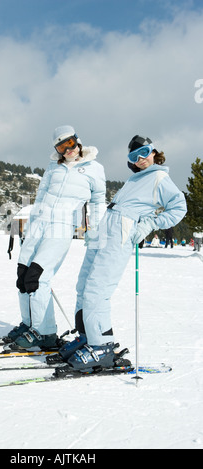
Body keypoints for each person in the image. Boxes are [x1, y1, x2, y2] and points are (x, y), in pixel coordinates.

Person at [58, 135, 187, 371]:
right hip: (105, 229)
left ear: (153, 152)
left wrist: (148, 225)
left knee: (98, 288)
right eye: (133, 156)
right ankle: (88, 336)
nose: (140, 159)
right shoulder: (135, 178)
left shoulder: (159, 176)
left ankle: (102, 347)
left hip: (121, 232)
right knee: (83, 285)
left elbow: (179, 207)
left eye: (144, 152)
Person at [0, 125, 106, 349]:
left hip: (62, 227)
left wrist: (95, 230)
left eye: (70, 143)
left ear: (77, 141)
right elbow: (41, 196)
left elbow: (97, 202)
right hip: (39, 225)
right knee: (23, 274)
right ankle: (29, 325)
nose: (68, 150)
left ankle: (45, 332)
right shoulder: (53, 167)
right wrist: (31, 225)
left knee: (38, 276)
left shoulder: (94, 168)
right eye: (61, 146)